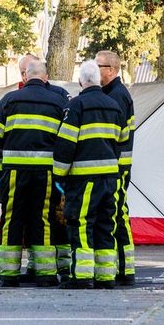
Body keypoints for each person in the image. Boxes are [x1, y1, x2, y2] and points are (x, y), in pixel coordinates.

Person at [0, 59, 67, 287]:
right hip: (45, 171)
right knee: (42, 217)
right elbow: (65, 137)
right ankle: (45, 273)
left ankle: (9, 274)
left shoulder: (9, 99)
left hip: (15, 170)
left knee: (12, 217)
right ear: (45, 78)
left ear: (26, 77)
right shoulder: (58, 101)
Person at [53, 60, 125, 289]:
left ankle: (82, 276)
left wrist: (59, 174)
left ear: (80, 81)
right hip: (110, 176)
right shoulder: (114, 105)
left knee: (81, 223)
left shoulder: (77, 106)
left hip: (84, 178)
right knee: (106, 223)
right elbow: (121, 140)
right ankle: (106, 276)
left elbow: (65, 144)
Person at [12, 53, 71, 283]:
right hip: (43, 171)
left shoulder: (58, 95)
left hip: (43, 171)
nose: (25, 75)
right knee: (32, 220)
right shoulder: (15, 97)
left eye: (28, 70)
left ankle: (61, 266)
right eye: (23, 71)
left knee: (52, 219)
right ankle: (38, 267)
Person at [97, 50, 137, 285]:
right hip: (116, 166)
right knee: (116, 213)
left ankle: (124, 268)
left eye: (98, 65)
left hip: (118, 167)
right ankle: (123, 268)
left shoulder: (117, 96)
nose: (95, 69)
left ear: (110, 70)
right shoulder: (113, 93)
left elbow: (115, 136)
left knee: (118, 214)